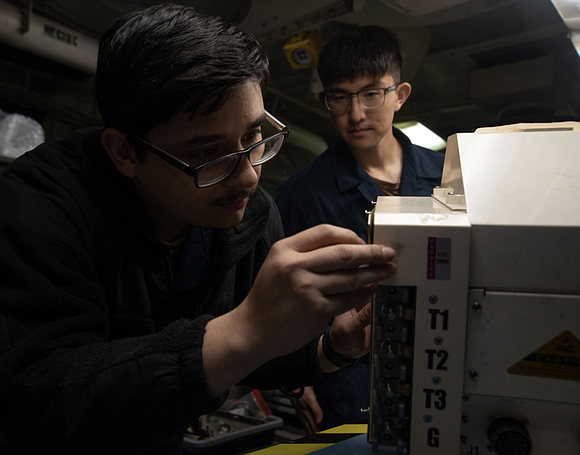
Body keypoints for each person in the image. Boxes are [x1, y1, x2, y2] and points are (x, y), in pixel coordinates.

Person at [0, 6, 397, 455]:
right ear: (125, 151)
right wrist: (245, 329)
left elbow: (245, 356)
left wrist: (331, 348)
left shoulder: (251, 216)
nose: (248, 176)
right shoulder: (36, 209)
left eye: (252, 137)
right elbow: (33, 403)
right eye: (208, 152)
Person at [275, 26, 444, 433]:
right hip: (345, 382)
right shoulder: (299, 196)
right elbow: (280, 299)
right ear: (325, 100)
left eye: (371, 94)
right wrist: (296, 379)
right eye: (340, 97)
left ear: (400, 95)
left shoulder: (449, 178)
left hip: (439, 362)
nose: (355, 114)